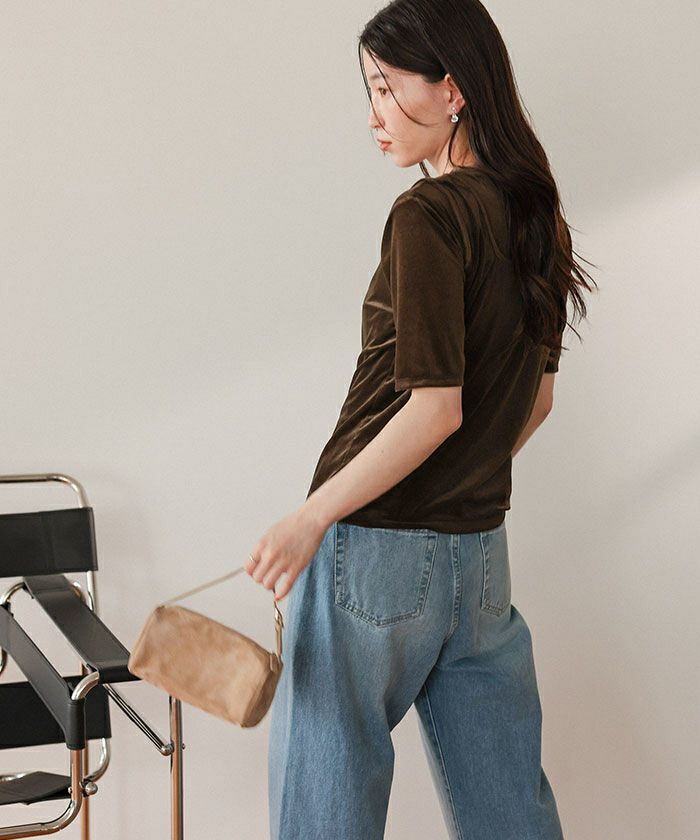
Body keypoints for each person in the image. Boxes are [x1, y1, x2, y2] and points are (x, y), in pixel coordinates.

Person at [246, 1, 597, 837]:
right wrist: (461, 480)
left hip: (371, 554)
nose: (373, 114)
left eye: (386, 87)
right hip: (480, 560)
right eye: (368, 90)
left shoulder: (428, 213)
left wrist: (311, 516)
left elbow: (435, 409)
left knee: (324, 814)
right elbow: (535, 401)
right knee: (508, 814)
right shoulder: (537, 214)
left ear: (454, 89)